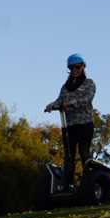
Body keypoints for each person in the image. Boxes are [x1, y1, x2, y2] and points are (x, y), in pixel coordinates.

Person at [44, 53, 96, 189]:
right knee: (68, 156)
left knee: (84, 153)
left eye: (77, 67)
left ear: (83, 67)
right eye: (71, 68)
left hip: (85, 124)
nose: (74, 70)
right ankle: (68, 185)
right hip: (69, 126)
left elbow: (87, 99)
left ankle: (89, 184)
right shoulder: (65, 86)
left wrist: (71, 103)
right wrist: (51, 105)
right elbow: (59, 100)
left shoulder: (89, 83)